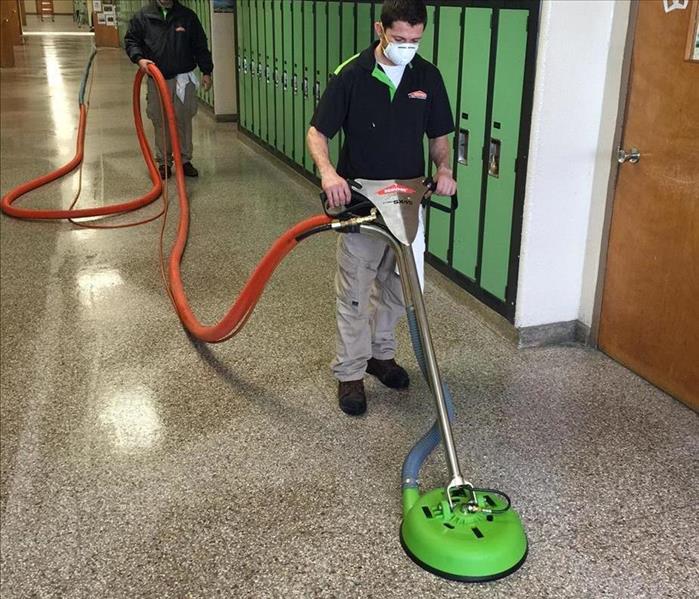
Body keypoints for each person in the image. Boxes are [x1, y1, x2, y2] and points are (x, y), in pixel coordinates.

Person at [307, 0, 457, 416]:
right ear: (380, 30)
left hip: (407, 200)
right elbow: (318, 132)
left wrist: (443, 168)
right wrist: (328, 173)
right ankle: (350, 373)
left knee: (399, 287)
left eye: (415, 40)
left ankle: (380, 355)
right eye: (400, 39)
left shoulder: (428, 76)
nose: (408, 47)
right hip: (360, 200)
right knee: (355, 292)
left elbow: (439, 135)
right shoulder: (351, 75)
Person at [124, 0, 213, 179]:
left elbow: (200, 45)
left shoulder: (187, 16)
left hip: (183, 78)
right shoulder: (143, 16)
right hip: (157, 78)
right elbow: (131, 40)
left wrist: (206, 71)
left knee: (183, 119)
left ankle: (185, 160)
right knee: (160, 120)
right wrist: (139, 59)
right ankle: (164, 161)